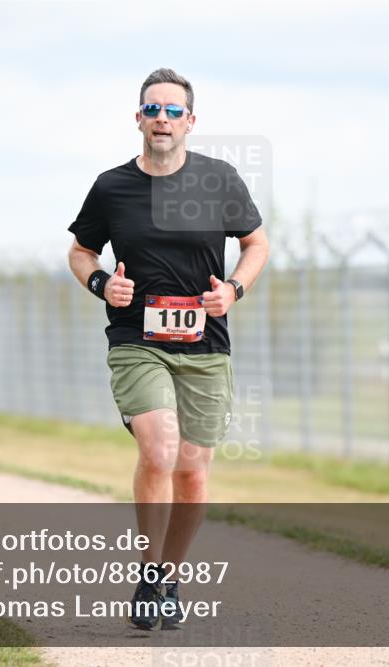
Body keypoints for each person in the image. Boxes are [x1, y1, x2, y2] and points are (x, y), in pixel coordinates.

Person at [67, 68, 269, 630]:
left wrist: (234, 288)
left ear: (190, 122)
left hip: (206, 343)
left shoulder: (219, 179)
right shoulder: (112, 186)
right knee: (159, 451)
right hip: (137, 340)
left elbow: (257, 242)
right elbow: (81, 252)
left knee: (193, 473)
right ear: (138, 119)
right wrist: (102, 283)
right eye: (153, 110)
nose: (163, 119)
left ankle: (166, 580)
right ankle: (149, 571)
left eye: (174, 111)